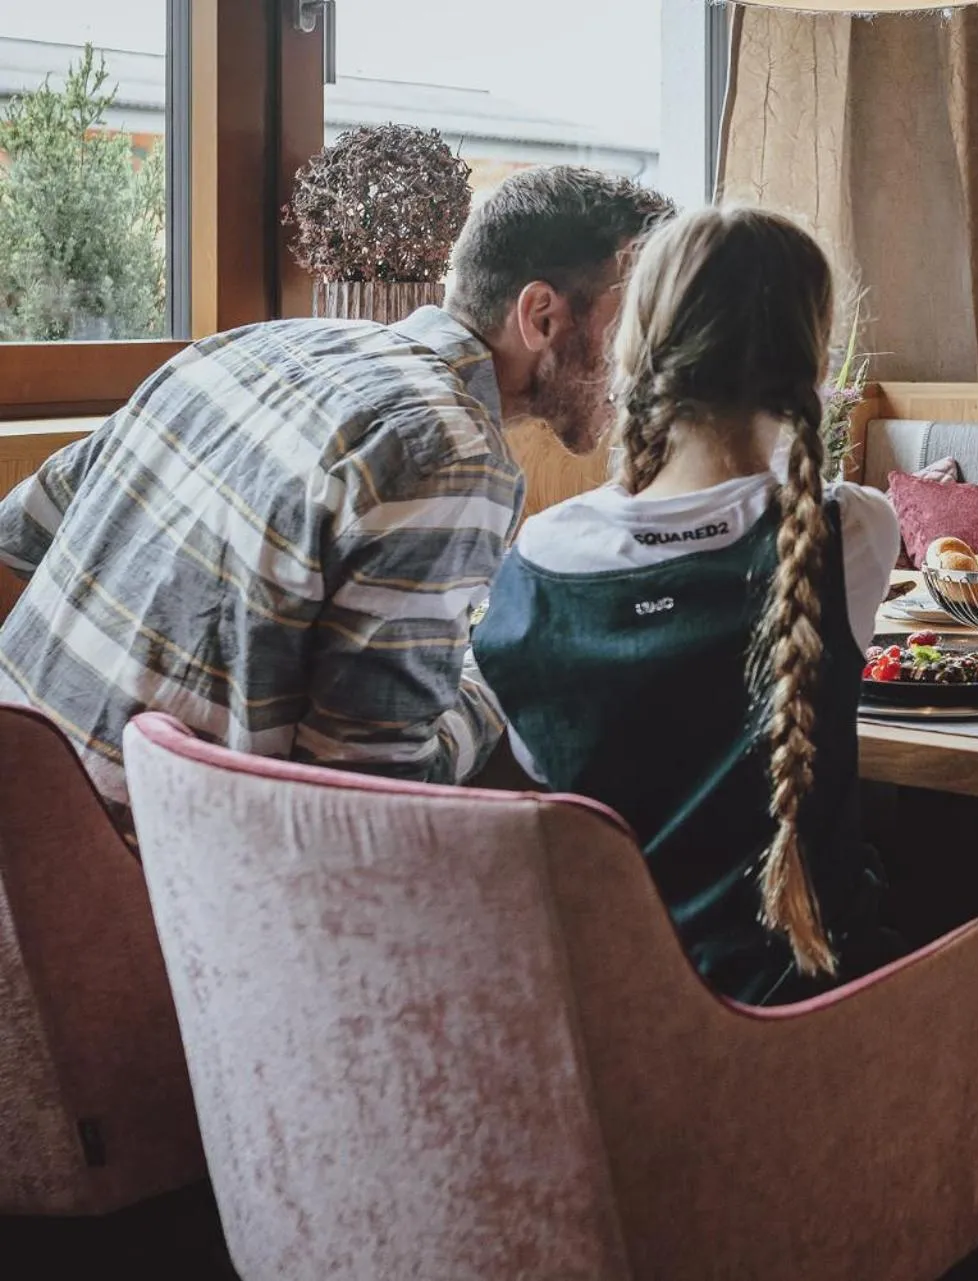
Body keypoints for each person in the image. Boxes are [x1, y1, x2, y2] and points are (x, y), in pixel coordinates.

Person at [0, 166, 674, 834]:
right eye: (637, 321)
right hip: (142, 889)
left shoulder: (251, 345)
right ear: (541, 315)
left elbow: (20, 534)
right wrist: (513, 663)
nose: (649, 361)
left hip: (30, 839)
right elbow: (380, 793)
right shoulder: (449, 451)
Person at [469, 206, 900, 1007]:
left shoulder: (533, 562)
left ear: (635, 349)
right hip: (802, 1012)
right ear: (809, 359)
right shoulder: (854, 532)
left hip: (605, 1015)